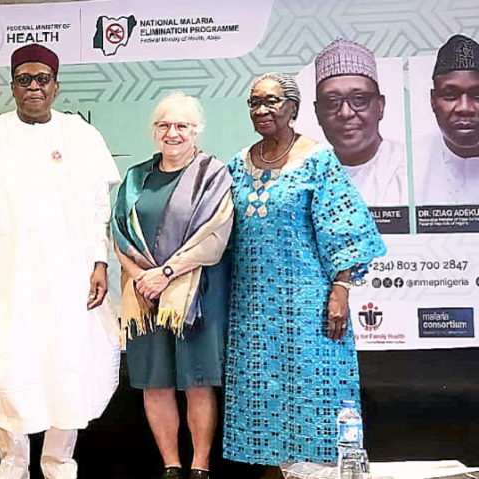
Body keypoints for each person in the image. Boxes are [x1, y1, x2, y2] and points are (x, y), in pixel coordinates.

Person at [0, 43, 121, 479]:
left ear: (56, 86)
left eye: (42, 79)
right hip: (6, 282)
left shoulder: (82, 137)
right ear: (13, 86)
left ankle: (59, 461)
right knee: (8, 363)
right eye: (25, 80)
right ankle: (14, 461)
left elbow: (100, 212)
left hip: (68, 280)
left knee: (67, 364)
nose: (34, 87)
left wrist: (99, 263)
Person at [222, 72, 385, 479]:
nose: (262, 110)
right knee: (261, 393)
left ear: (293, 109)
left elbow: (347, 228)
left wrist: (341, 290)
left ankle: (319, 474)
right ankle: (273, 472)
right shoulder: (237, 164)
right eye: (254, 102)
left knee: (315, 392)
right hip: (252, 305)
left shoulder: (318, 159)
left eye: (272, 102)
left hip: (308, 301)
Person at [112, 92, 233, 479]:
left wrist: (165, 274)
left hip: (196, 295)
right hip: (143, 296)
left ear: (196, 131)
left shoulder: (214, 174)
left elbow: (213, 237)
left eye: (182, 125)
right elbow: (118, 232)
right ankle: (171, 465)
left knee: (198, 381)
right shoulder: (135, 179)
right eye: (164, 125)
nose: (173, 133)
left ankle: (199, 465)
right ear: (154, 131)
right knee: (155, 381)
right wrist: (141, 277)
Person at [314, 38, 407, 206]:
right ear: (317, 112)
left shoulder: (407, 169)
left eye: (359, 99)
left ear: (380, 106)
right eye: (331, 101)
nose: (345, 113)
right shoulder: (308, 175)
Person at [415, 34, 479, 205]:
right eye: (450, 96)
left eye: (477, 95)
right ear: (433, 101)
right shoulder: (409, 166)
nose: (465, 108)